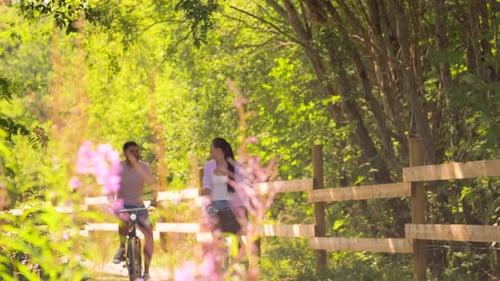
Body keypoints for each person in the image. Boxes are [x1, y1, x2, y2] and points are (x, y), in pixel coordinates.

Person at [111, 141, 157, 281]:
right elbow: (110, 188)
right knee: (123, 218)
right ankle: (122, 248)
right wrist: (112, 202)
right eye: (132, 151)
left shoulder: (144, 167)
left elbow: (152, 185)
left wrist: (154, 200)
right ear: (125, 153)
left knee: (149, 235)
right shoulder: (118, 168)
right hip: (123, 204)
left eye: (137, 151)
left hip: (139, 205)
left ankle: (147, 271)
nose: (136, 154)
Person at [201, 137, 245, 233]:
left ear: (219, 150)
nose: (209, 151)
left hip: (232, 205)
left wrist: (242, 206)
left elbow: (242, 186)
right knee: (217, 231)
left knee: (235, 233)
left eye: (211, 148)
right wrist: (208, 203)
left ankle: (237, 245)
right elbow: (206, 186)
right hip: (215, 205)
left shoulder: (234, 165)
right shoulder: (209, 166)